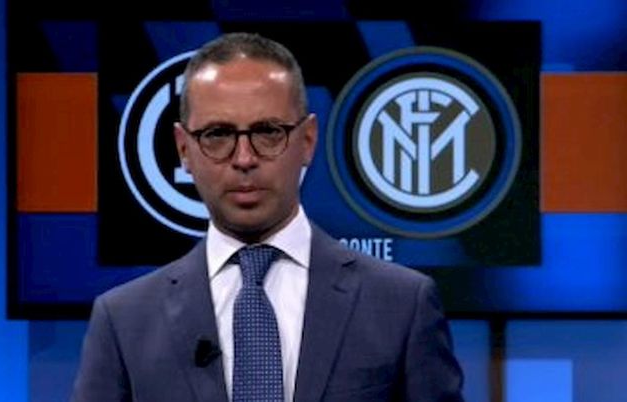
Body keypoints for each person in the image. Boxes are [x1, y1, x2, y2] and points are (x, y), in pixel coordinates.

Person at [71, 32, 464, 402]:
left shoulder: (401, 305)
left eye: (268, 132)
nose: (244, 158)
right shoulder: (124, 321)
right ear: (184, 149)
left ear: (307, 140)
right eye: (217, 134)